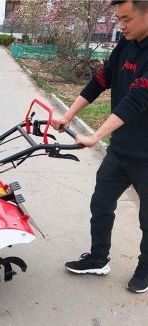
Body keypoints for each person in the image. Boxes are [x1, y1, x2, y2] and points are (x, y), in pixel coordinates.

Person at [52, 0, 148, 293]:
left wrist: (95, 136)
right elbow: (100, 80)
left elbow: (136, 99)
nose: (121, 25)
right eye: (119, 18)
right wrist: (68, 115)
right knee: (101, 203)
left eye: (127, 18)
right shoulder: (126, 44)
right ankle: (98, 259)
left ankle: (145, 270)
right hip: (120, 150)